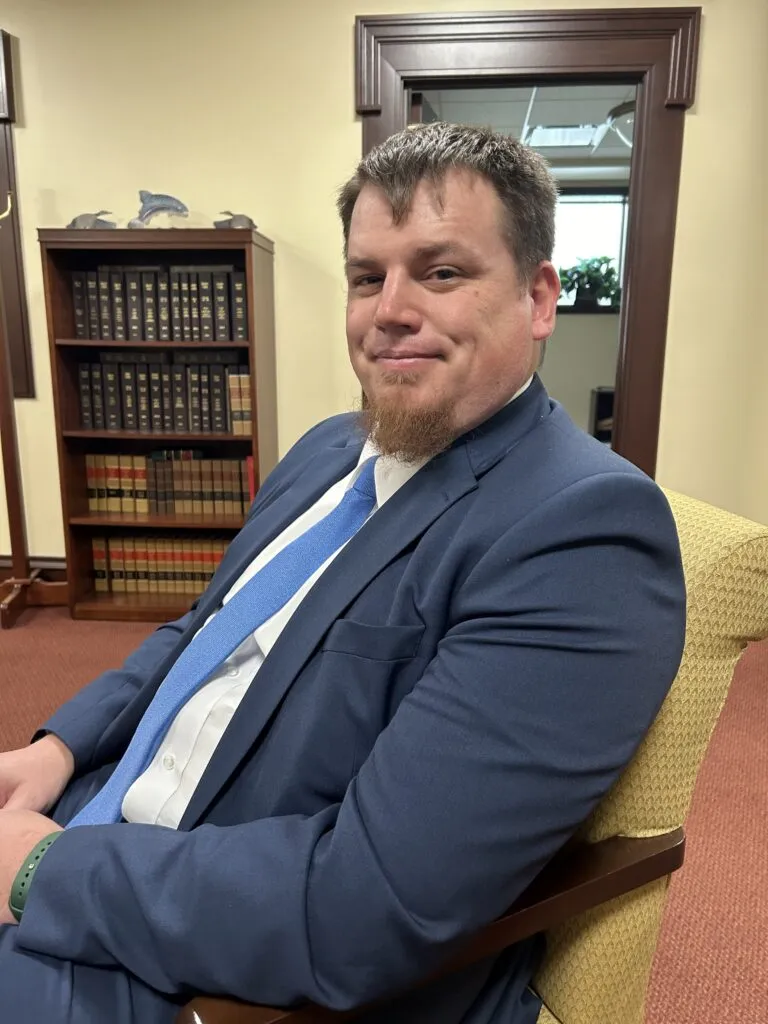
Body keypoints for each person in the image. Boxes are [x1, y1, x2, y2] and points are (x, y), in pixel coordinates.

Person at [0, 122, 686, 1024]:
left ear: (539, 298)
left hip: (217, 966)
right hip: (101, 820)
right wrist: (58, 748)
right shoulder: (331, 449)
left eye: (441, 272)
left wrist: (39, 871)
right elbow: (199, 634)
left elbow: (364, 908)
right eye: (369, 276)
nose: (387, 310)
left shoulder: (585, 533)